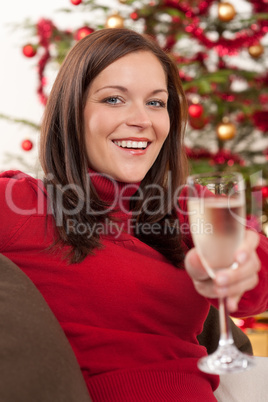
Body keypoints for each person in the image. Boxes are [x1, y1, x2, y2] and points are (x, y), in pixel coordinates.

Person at [0, 28, 267, 402]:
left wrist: (244, 272)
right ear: (72, 111)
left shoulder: (189, 204)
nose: (142, 119)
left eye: (156, 103)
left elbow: (258, 278)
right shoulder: (21, 201)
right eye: (114, 99)